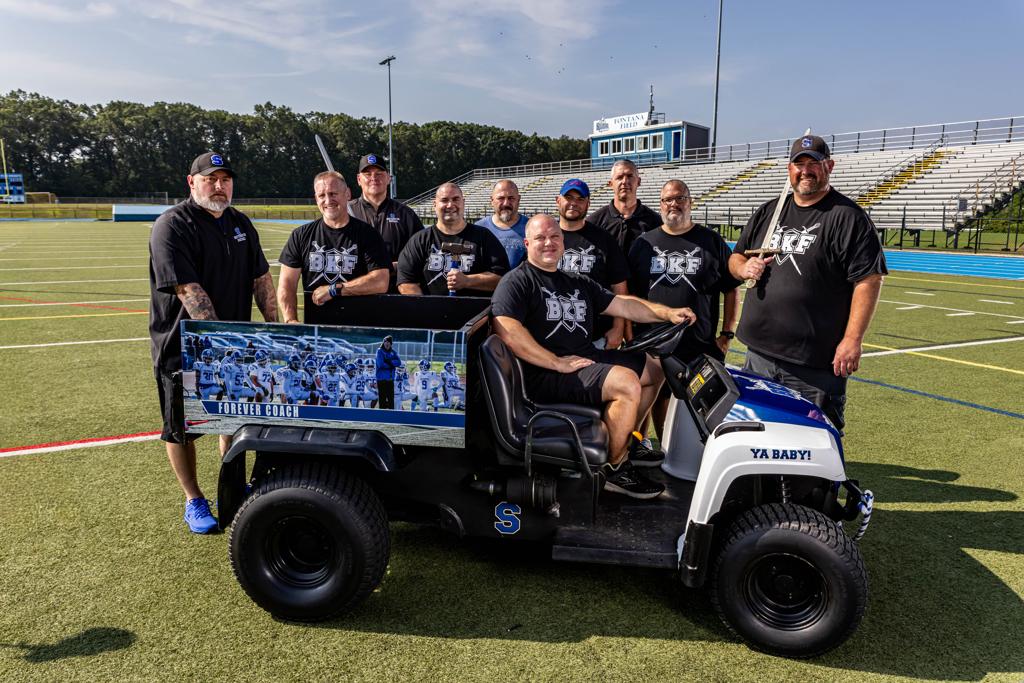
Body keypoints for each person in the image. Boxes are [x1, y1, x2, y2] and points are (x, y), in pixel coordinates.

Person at [490, 215, 696, 500]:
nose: (548, 242)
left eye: (554, 237)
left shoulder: (575, 281)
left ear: (563, 242)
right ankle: (613, 470)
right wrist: (555, 362)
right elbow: (507, 329)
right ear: (527, 244)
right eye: (540, 238)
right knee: (626, 383)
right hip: (546, 375)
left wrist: (667, 313)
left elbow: (623, 304)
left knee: (654, 369)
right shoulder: (517, 282)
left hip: (582, 360)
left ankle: (622, 444)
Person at [149, 151, 277, 534]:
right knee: (181, 427)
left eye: (225, 179)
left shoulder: (240, 223)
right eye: (211, 179)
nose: (219, 186)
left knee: (233, 418)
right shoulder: (172, 225)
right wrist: (223, 343)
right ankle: (194, 499)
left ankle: (231, 486)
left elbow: (262, 279)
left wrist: (279, 331)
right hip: (183, 350)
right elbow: (189, 290)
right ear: (192, 182)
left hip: (235, 347)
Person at [728, 134, 887, 432]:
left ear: (829, 166)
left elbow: (868, 279)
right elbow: (735, 257)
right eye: (798, 164)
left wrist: (853, 339)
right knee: (760, 435)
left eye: (813, 164)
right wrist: (744, 267)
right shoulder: (770, 212)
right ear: (789, 169)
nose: (805, 171)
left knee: (812, 436)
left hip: (813, 363)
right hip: (759, 354)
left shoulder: (848, 217)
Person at [629, 179, 740, 437]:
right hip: (653, 341)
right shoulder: (643, 244)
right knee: (653, 398)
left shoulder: (710, 241)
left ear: (690, 202)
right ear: (660, 205)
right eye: (668, 199)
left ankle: (682, 457)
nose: (674, 204)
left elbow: (732, 288)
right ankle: (651, 449)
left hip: (697, 342)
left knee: (695, 410)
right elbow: (629, 295)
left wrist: (727, 334)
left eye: (680, 198)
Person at [277, 171, 390, 325]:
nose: (328, 200)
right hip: (316, 329)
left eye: (333, 193)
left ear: (347, 194)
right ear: (316, 199)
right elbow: (287, 284)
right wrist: (291, 320)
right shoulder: (301, 235)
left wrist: (334, 289)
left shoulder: (368, 234)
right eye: (322, 195)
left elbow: (381, 281)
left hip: (359, 329)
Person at [555, 178, 630, 349]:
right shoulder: (546, 236)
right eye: (569, 197)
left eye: (580, 199)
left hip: (595, 335)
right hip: (552, 331)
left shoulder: (604, 239)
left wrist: (618, 328)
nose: (574, 203)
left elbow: (620, 288)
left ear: (588, 204)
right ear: (558, 200)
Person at [397, 183, 510, 296]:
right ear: (435, 204)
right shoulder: (420, 240)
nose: (450, 205)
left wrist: (467, 281)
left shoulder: (484, 237)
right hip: (431, 311)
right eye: (444, 200)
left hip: (477, 313)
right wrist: (425, 308)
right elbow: (406, 282)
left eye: (456, 199)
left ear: (463, 202)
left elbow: (503, 280)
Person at [347, 153, 425, 292]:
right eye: (367, 174)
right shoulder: (346, 212)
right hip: (355, 292)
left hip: (395, 294)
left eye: (379, 173)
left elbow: (421, 255)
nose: (373, 178)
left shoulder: (406, 214)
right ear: (359, 179)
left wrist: (393, 266)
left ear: (388, 178)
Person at [586, 159, 663, 253]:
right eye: (619, 177)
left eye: (630, 176)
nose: (625, 181)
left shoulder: (656, 223)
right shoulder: (594, 222)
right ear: (611, 184)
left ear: (638, 181)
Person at [475, 179, 528, 268]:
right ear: (492, 200)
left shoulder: (531, 227)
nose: (506, 203)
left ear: (518, 199)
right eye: (501, 198)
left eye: (511, 198)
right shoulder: (478, 228)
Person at [375, 335, 402, 409]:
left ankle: (391, 418)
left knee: (391, 401)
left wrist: (389, 362)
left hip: (390, 380)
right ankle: (382, 418)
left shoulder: (393, 352)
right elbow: (380, 364)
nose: (387, 343)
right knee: (382, 400)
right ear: (383, 343)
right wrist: (392, 365)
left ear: (391, 343)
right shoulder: (379, 351)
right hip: (381, 380)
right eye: (385, 342)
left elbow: (399, 362)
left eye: (388, 342)